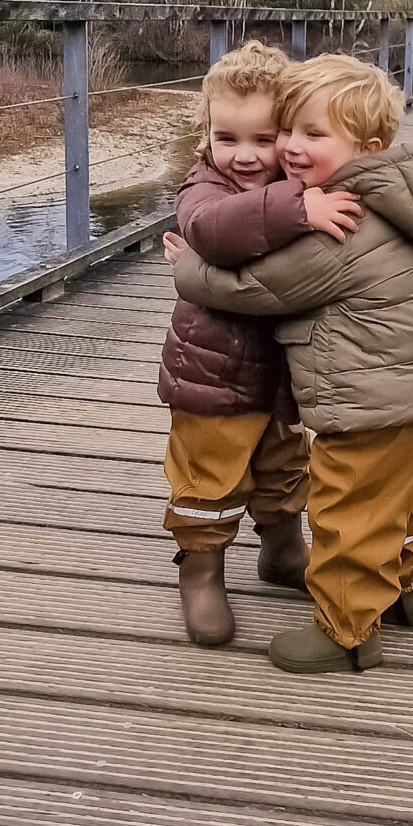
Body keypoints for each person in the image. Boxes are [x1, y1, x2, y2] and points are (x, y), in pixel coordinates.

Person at [170, 52, 413, 675]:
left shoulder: (341, 220)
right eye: (289, 130)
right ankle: (410, 593)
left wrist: (187, 269)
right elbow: (209, 213)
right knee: (403, 498)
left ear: (367, 146)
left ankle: (346, 631)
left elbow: (251, 288)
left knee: (349, 510)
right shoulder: (389, 193)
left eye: (311, 134)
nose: (287, 148)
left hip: (369, 402)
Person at [157, 39, 362, 648]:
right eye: (227, 138)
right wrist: (300, 208)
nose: (244, 156)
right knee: (208, 475)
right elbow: (212, 233)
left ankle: (280, 549)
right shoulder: (205, 190)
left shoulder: (308, 182)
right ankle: (200, 571)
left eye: (263, 138)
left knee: (283, 464)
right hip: (214, 373)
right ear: (207, 136)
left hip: (285, 371)